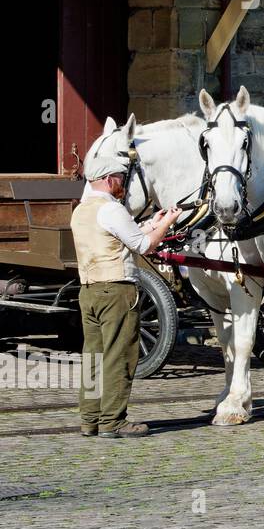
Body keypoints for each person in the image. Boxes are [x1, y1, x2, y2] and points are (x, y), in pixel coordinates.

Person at [71, 130, 183, 438]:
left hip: (89, 290)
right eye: (121, 177)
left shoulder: (81, 212)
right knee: (120, 356)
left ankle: (90, 419)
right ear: (108, 179)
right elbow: (144, 246)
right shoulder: (111, 208)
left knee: (93, 357)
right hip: (117, 291)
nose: (123, 182)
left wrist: (153, 221)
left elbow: (121, 233)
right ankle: (113, 421)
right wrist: (167, 223)